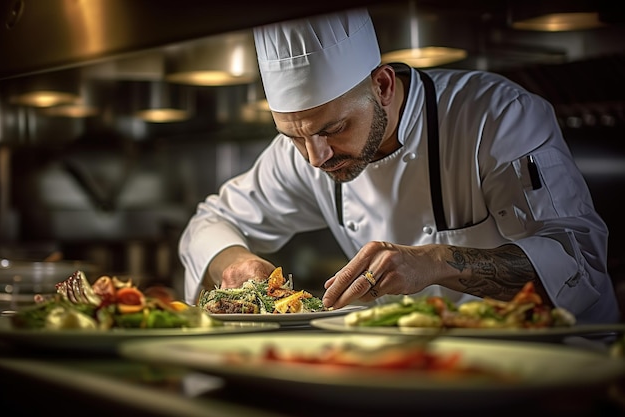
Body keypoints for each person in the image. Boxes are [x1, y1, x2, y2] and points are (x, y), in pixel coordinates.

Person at [179, 8, 620, 324]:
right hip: (417, 372)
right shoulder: (306, 149)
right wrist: (234, 265)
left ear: (383, 85)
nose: (315, 158)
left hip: (559, 367)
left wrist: (437, 262)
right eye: (293, 137)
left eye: (333, 129)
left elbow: (579, 266)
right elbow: (212, 220)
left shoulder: (496, 116)